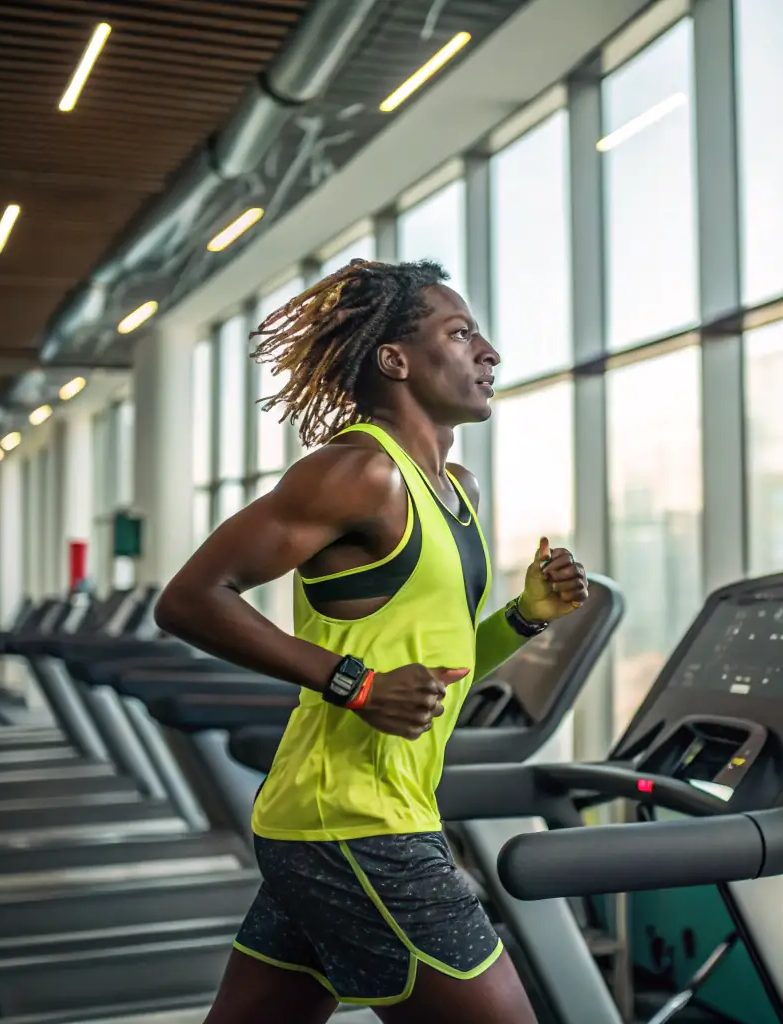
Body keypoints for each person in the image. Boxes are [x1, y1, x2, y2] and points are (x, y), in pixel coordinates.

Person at [154, 258, 589, 1024]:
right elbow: (190, 600)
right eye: (460, 334)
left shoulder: (457, 490)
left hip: (348, 817)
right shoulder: (357, 473)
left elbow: (436, 669)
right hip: (358, 825)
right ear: (395, 359)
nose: (488, 352)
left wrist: (525, 616)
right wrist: (353, 683)